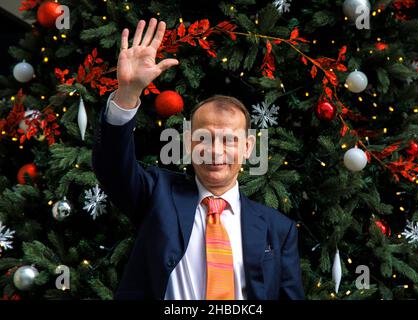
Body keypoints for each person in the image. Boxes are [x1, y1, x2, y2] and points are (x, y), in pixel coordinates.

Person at [92, 18, 305, 300]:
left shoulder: (278, 229)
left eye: (229, 140)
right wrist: (128, 94)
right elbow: (113, 167)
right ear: (189, 143)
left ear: (248, 147)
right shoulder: (156, 194)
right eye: (204, 138)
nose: (215, 151)